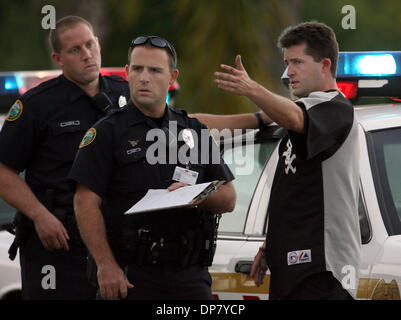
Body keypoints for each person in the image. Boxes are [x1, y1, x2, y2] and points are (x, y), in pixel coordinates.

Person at [69, 35, 236, 300]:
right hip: (132, 277)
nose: (144, 77)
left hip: (189, 277)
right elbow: (84, 202)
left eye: (155, 70)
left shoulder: (192, 130)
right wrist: (105, 264)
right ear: (126, 73)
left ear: (172, 77)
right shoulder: (107, 132)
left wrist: (197, 196)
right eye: (137, 69)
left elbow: (229, 198)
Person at [215, 21, 361, 300]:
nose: (288, 71)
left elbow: (296, 116)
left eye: (297, 62)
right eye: (286, 62)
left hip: (323, 272)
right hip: (293, 271)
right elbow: (295, 194)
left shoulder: (334, 108)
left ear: (325, 64)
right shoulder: (299, 121)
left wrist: (250, 88)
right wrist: (272, 246)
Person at [0, 16, 130, 299]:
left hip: (118, 242)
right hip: (60, 244)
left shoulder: (125, 95)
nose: (87, 55)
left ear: (98, 43)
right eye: (75, 50)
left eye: (90, 44)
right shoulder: (37, 105)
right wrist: (38, 215)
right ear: (58, 58)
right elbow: (3, 171)